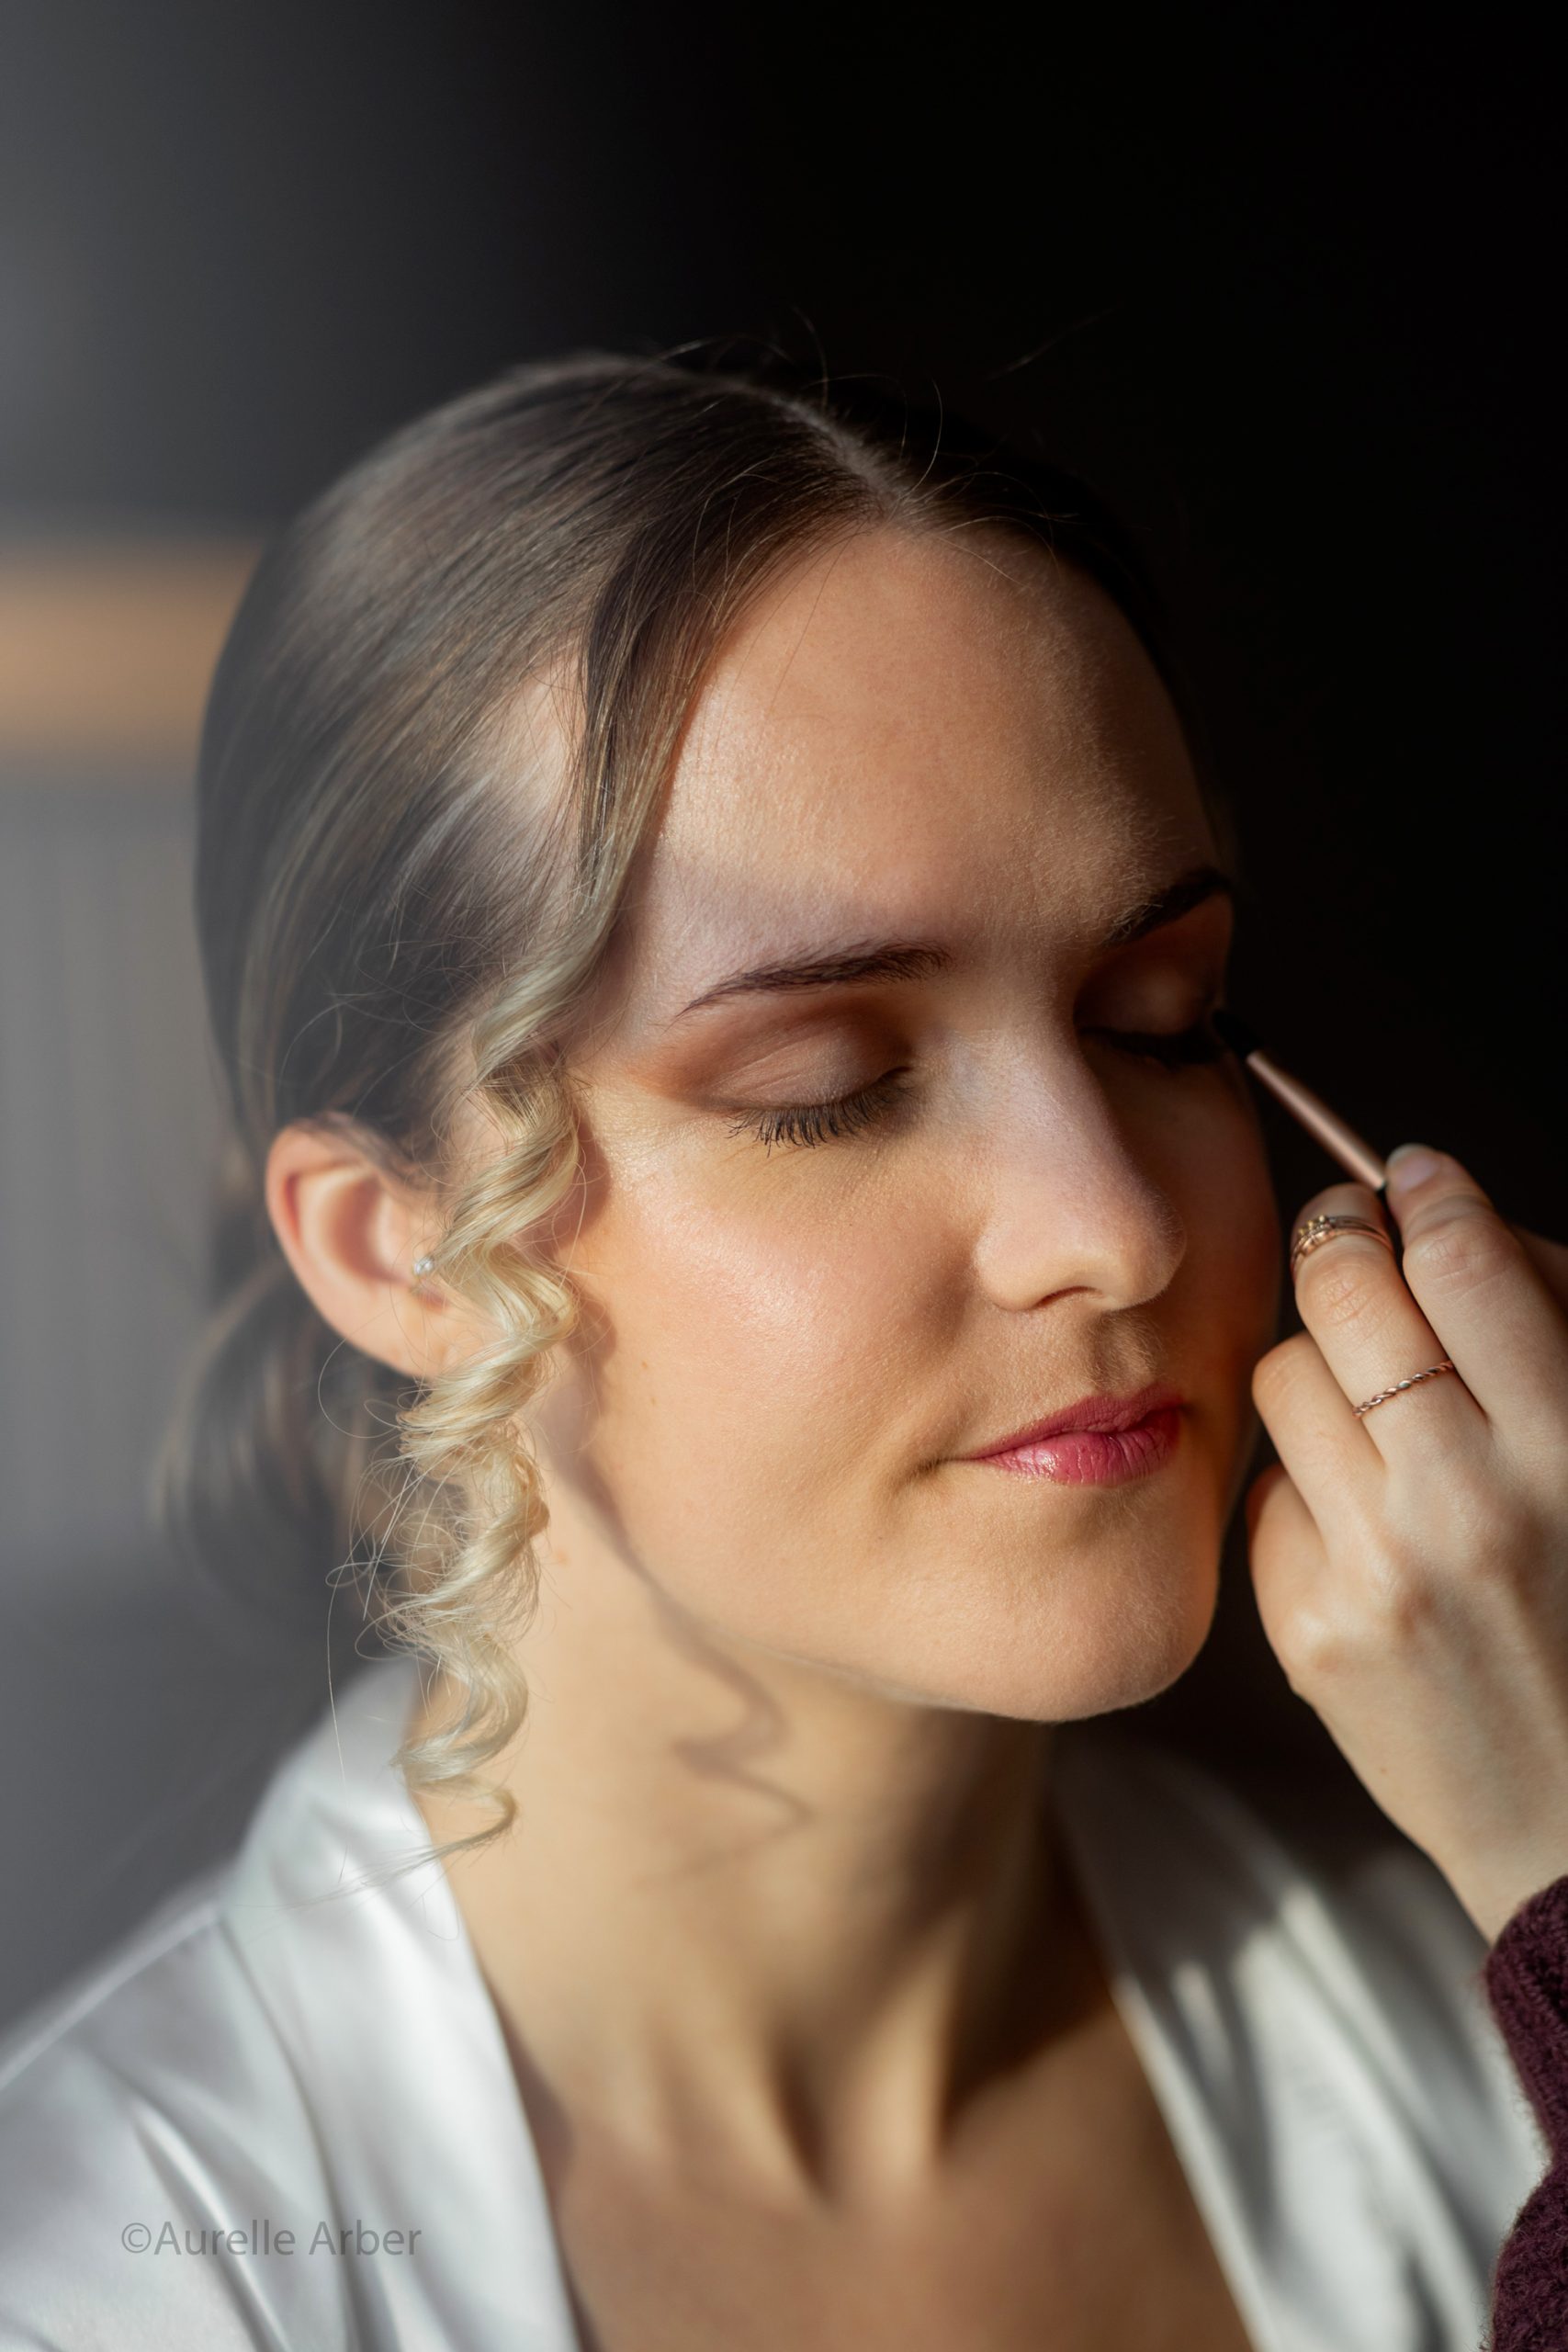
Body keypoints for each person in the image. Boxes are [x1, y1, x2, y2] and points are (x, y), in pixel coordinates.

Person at [1, 348, 1563, 2350]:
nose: (1113, 1219)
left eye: (1157, 1016)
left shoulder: (1463, 2050)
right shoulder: (104, 2282)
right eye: (827, 1083)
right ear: (400, 1255)